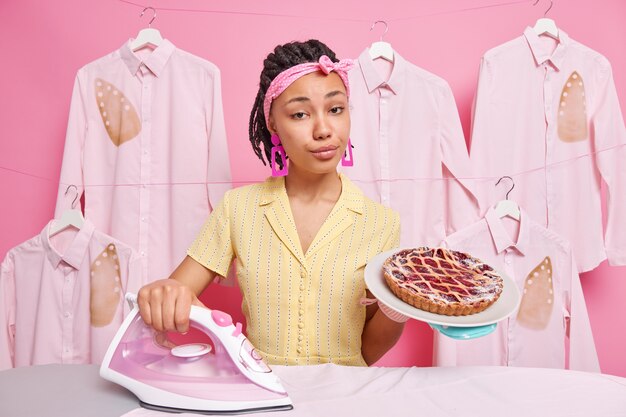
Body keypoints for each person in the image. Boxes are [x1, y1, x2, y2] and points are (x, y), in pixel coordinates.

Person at [137, 39, 407, 366]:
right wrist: (163, 296)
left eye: (335, 109)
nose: (323, 130)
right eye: (300, 114)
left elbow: (367, 350)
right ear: (273, 123)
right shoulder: (238, 209)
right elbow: (176, 293)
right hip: (261, 395)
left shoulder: (381, 223)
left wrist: (399, 306)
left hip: (346, 397)